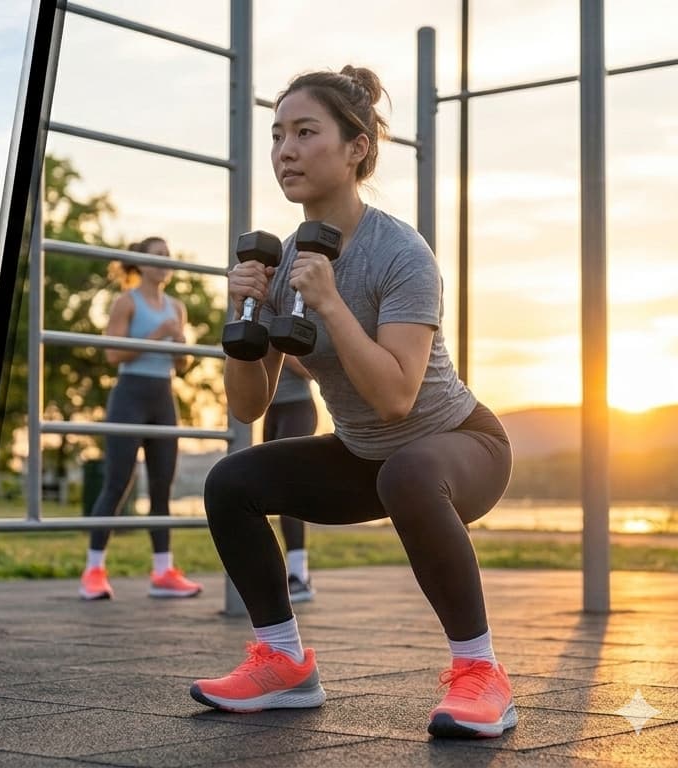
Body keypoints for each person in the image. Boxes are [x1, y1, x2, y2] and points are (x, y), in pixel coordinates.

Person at [189, 66, 516, 740]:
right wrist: (244, 317)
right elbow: (249, 408)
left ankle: (481, 674)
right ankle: (283, 663)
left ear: (357, 147)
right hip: (369, 456)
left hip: (461, 446)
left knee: (409, 469)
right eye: (278, 134)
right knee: (231, 481)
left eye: (306, 132)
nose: (285, 149)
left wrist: (331, 302)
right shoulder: (286, 264)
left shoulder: (401, 253)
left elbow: (397, 395)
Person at [79, 237, 203, 601]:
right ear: (140, 263)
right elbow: (113, 354)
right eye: (157, 256)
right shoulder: (126, 301)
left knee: (162, 487)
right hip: (129, 396)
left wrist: (180, 349)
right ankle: (93, 570)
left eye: (168, 255)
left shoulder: (177, 308)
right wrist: (157, 335)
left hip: (163, 397)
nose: (165, 262)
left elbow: (181, 366)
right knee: (117, 484)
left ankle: (163, 572)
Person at [264, 358, 319, 602]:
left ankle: (299, 575)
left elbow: (313, 370)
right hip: (271, 409)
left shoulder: (297, 319)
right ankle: (283, 573)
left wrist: (282, 351)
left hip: (298, 408)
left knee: (288, 488)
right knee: (270, 490)